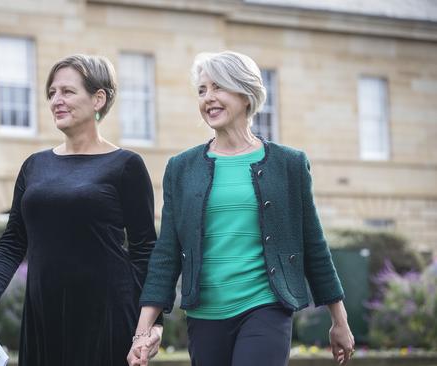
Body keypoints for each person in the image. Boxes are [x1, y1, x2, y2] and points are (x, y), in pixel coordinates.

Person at [127, 51, 355, 366]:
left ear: (247, 94)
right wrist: (142, 332)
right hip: (204, 315)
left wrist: (339, 320)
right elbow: (167, 252)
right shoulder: (181, 168)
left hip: (266, 307)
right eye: (202, 90)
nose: (208, 98)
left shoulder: (288, 164)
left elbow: (313, 244)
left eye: (218, 87)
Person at [0, 54, 158, 365]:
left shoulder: (126, 165)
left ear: (98, 99)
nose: (56, 100)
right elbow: (14, 239)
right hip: (44, 314)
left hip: (106, 317)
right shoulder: (34, 165)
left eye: (67, 91)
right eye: (52, 93)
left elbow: (145, 250)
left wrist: (148, 326)